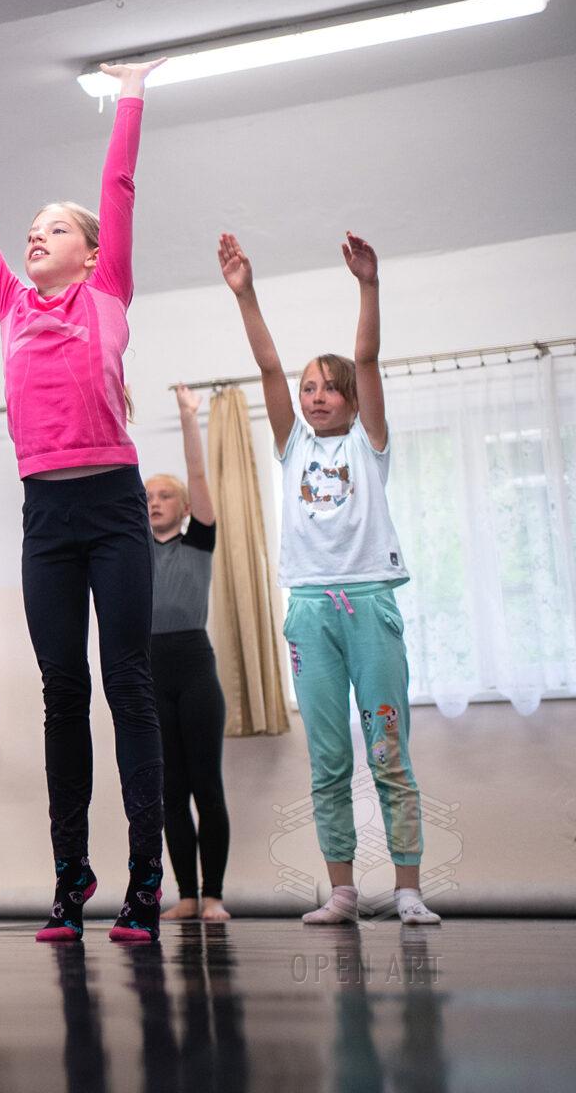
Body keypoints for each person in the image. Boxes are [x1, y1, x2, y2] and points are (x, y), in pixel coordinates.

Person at [0, 59, 170, 942]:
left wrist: (130, 92)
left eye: (54, 228)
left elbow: (119, 185)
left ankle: (146, 881)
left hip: (113, 507)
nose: (35, 237)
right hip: (47, 518)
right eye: (32, 230)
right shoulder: (12, 304)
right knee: (62, 691)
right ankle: (71, 880)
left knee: (127, 684)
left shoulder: (108, 291)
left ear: (90, 252)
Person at [219, 230, 440, 926]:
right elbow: (268, 366)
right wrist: (245, 294)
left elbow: (367, 357)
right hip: (310, 612)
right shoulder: (293, 447)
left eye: (330, 388)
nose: (317, 398)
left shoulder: (369, 444)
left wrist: (368, 286)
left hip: (370, 604)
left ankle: (407, 890)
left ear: (350, 398)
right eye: (309, 388)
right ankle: (341, 891)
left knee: (389, 755)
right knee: (328, 760)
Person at [146, 385, 230, 921]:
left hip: (195, 667)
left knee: (206, 786)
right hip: (149, 671)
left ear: (183, 507)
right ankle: (186, 896)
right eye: (147, 497)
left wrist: (188, 419)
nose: (154, 502)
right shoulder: (130, 552)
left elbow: (198, 477)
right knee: (169, 792)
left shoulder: (198, 540)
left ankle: (213, 895)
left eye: (164, 495)